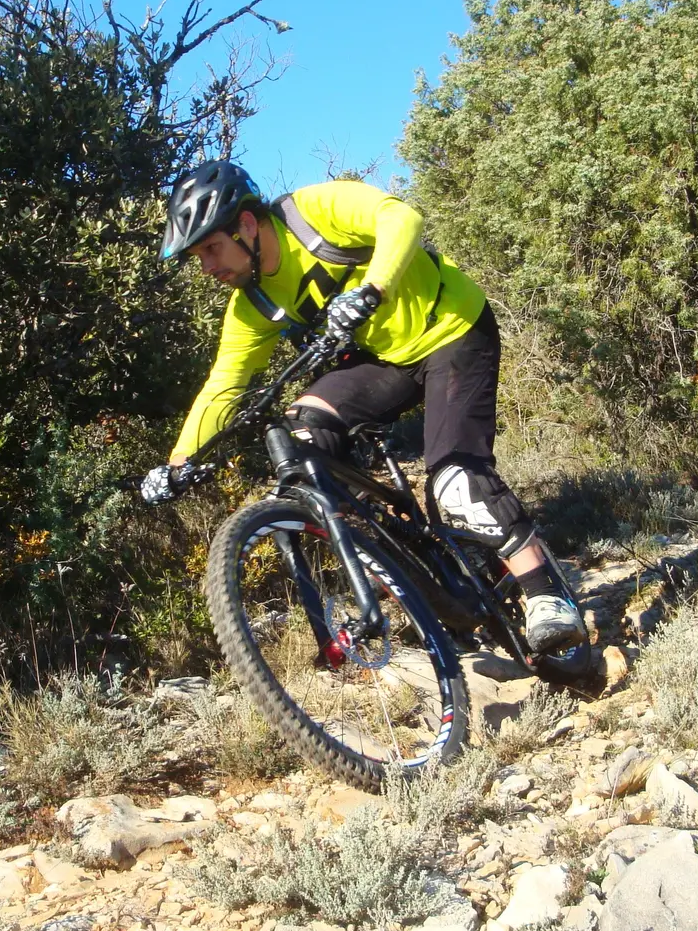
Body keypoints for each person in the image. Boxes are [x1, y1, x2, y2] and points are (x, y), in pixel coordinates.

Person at [140, 159, 585, 653]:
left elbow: (402, 219)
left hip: (452, 329)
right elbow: (224, 384)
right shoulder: (253, 305)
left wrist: (371, 289)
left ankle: (545, 595)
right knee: (301, 440)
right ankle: (412, 570)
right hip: (382, 363)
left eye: (209, 248)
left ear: (245, 225)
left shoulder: (313, 214)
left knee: (455, 479)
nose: (206, 266)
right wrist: (180, 463)